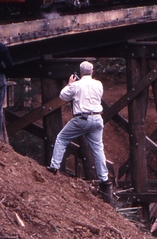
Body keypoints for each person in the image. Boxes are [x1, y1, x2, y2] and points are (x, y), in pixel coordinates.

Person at [46, 61, 110, 197]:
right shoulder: (99, 84)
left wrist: (69, 84)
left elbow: (63, 96)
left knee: (62, 138)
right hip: (97, 119)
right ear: (92, 72)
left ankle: (54, 166)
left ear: (80, 72)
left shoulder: (75, 85)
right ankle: (104, 179)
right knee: (98, 148)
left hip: (82, 119)